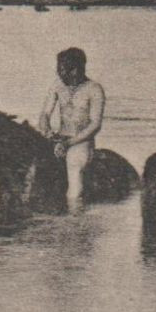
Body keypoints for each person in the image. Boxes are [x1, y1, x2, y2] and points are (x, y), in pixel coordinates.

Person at [38, 46, 106, 205]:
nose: (59, 74)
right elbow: (45, 114)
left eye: (62, 70)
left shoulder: (94, 89)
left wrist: (68, 143)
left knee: (74, 168)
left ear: (76, 70)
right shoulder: (57, 85)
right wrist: (46, 131)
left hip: (81, 142)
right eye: (58, 69)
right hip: (58, 138)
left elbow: (95, 124)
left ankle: (73, 212)